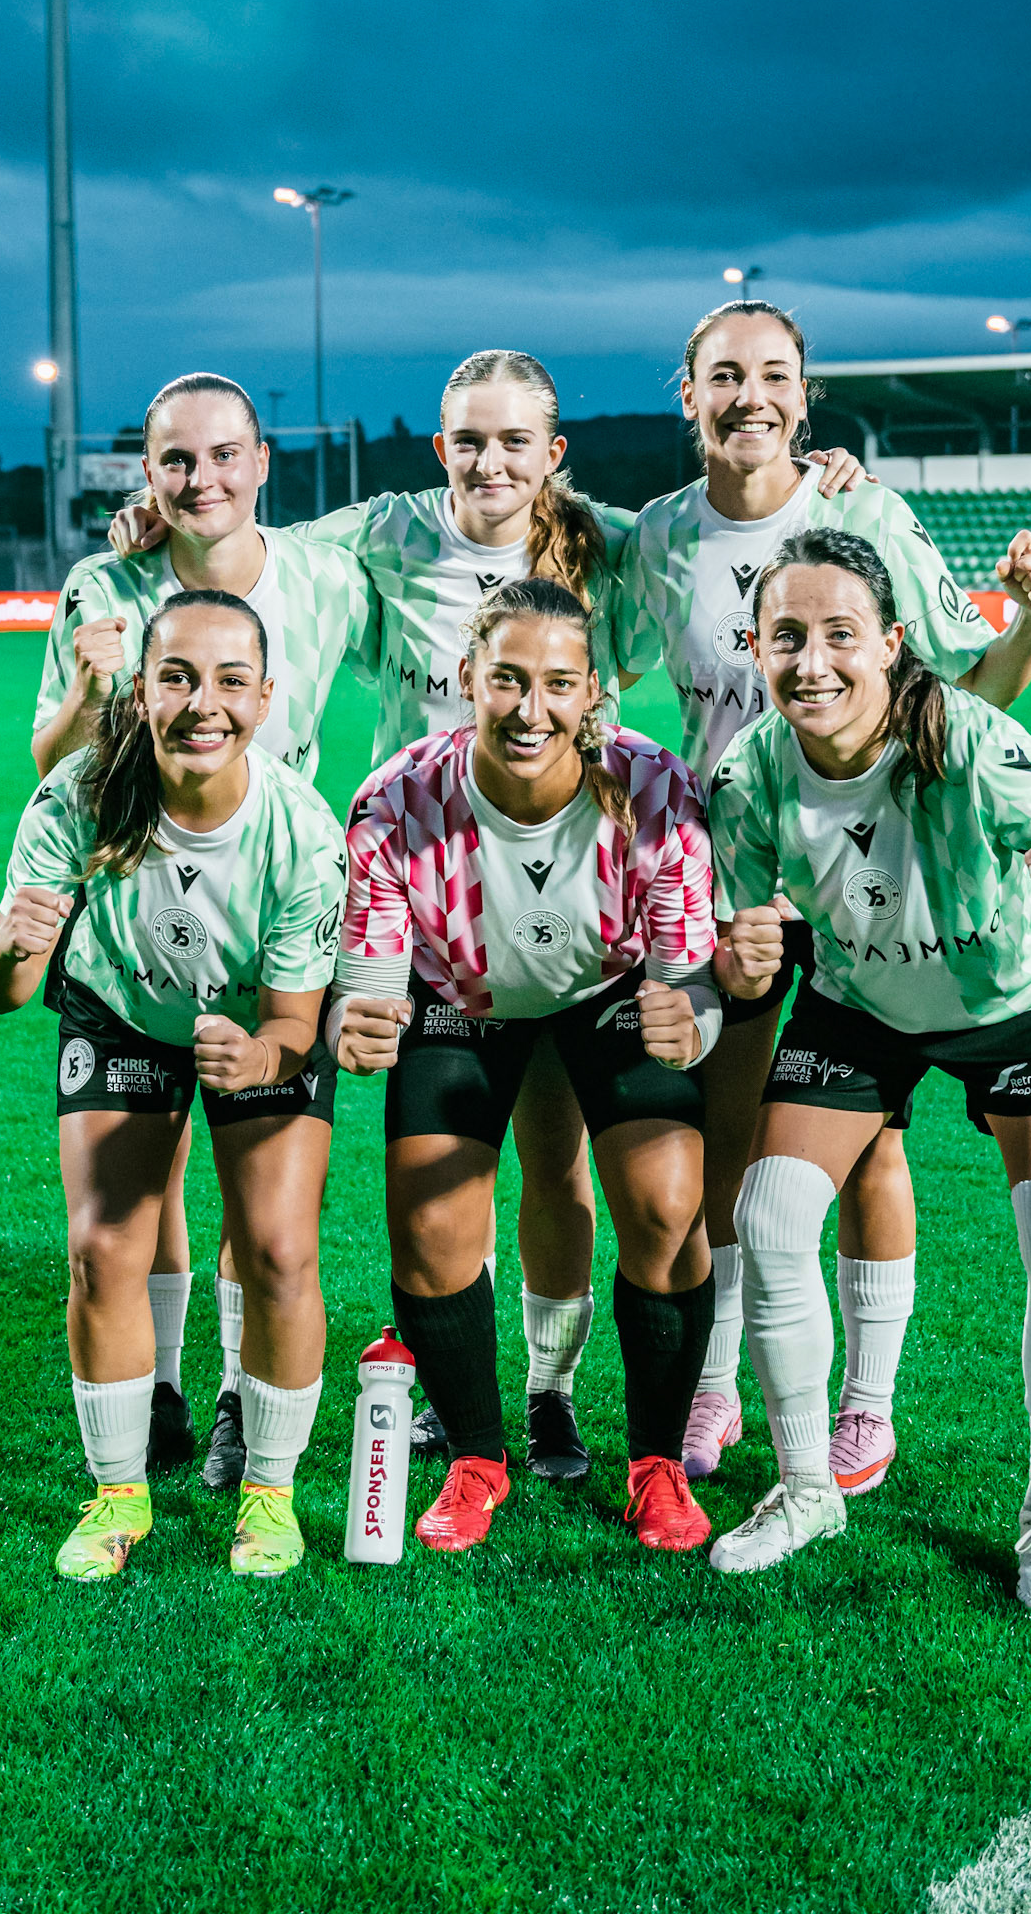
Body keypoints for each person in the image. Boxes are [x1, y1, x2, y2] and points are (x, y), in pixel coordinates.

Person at [110, 349, 869, 1480]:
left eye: (517, 439)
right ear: (441, 447)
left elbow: (719, 521)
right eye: (471, 437)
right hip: (426, 903)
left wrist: (820, 485)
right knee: (424, 1186)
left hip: (576, 891)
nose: (492, 460)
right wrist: (172, 508)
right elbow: (246, 537)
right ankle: (339, 1404)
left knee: (563, 1168)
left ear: (553, 455)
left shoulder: (613, 542)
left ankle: (549, 1396)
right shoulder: (384, 535)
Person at [620, 300, 1031, 1490]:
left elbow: (973, 686)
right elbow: (586, 659)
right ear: (688, 394)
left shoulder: (862, 510)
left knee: (865, 1145)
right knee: (733, 1132)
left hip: (866, 871)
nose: (750, 395)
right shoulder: (657, 536)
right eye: (725, 375)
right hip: (738, 862)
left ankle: (865, 1403)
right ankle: (718, 1381)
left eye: (774, 375)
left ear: (806, 397)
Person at [705, 530, 1031, 1613]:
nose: (811, 662)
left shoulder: (974, 744)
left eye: (839, 636)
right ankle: (808, 1485)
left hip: (1020, 1004)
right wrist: (741, 954)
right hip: (863, 1000)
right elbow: (736, 946)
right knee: (770, 1213)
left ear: (894, 643)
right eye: (786, 638)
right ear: (755, 649)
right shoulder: (746, 772)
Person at [34, 373, 375, 1493]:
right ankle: (164, 1386)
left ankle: (241, 1397)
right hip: (143, 899)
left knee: (263, 1203)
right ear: (146, 471)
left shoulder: (328, 572)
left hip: (273, 895)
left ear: (263, 462)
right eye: (177, 461)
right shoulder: (106, 583)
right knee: (150, 1179)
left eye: (224, 456)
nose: (202, 479)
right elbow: (57, 761)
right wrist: (95, 689)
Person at [330, 578, 721, 1554]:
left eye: (558, 684)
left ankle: (657, 1463)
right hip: (462, 1002)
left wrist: (693, 1020)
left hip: (607, 992)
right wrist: (362, 1020)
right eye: (506, 679)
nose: (529, 708)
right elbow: (372, 979)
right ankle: (476, 1456)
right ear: (468, 678)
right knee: (426, 1216)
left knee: (670, 1206)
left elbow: (691, 982)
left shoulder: (656, 789)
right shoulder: (395, 798)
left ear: (594, 693)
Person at [0, 589, 348, 1581]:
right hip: (122, 1013)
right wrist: (13, 948)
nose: (202, 702)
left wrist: (261, 1058)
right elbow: (1, 991)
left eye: (231, 680)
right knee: (102, 1248)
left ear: (268, 699)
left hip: (256, 1024)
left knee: (275, 1247)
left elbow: (295, 1024)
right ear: (140, 689)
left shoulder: (302, 831)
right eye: (176, 676)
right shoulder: (78, 795)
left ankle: (270, 1494)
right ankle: (116, 1494)